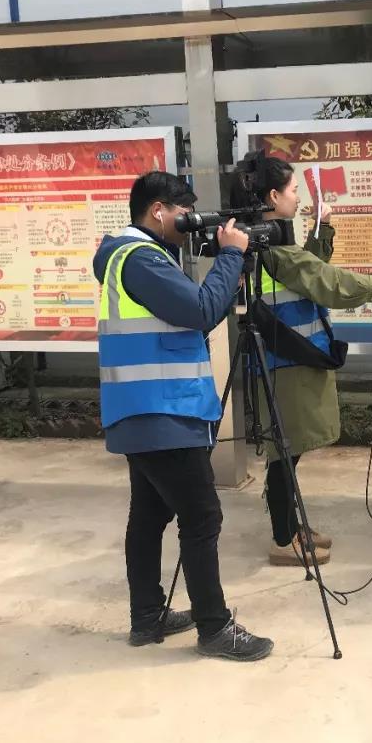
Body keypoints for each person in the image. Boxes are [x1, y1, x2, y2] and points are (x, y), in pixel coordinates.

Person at [93, 171, 272, 662]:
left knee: (150, 515)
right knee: (202, 516)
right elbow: (200, 311)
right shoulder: (140, 258)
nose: (188, 221)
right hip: (161, 409)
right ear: (157, 210)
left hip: (147, 408)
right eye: (183, 212)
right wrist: (231, 255)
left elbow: (187, 312)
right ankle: (215, 628)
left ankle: (147, 616)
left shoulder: (133, 256)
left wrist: (229, 266)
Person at [232, 157, 372, 566]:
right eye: (293, 190)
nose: (298, 198)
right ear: (272, 196)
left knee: (290, 451)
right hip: (285, 364)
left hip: (290, 358)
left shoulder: (271, 248)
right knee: (285, 453)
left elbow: (308, 273)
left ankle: (290, 525)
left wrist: (323, 227)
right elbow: (325, 281)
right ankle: (283, 539)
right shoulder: (273, 250)